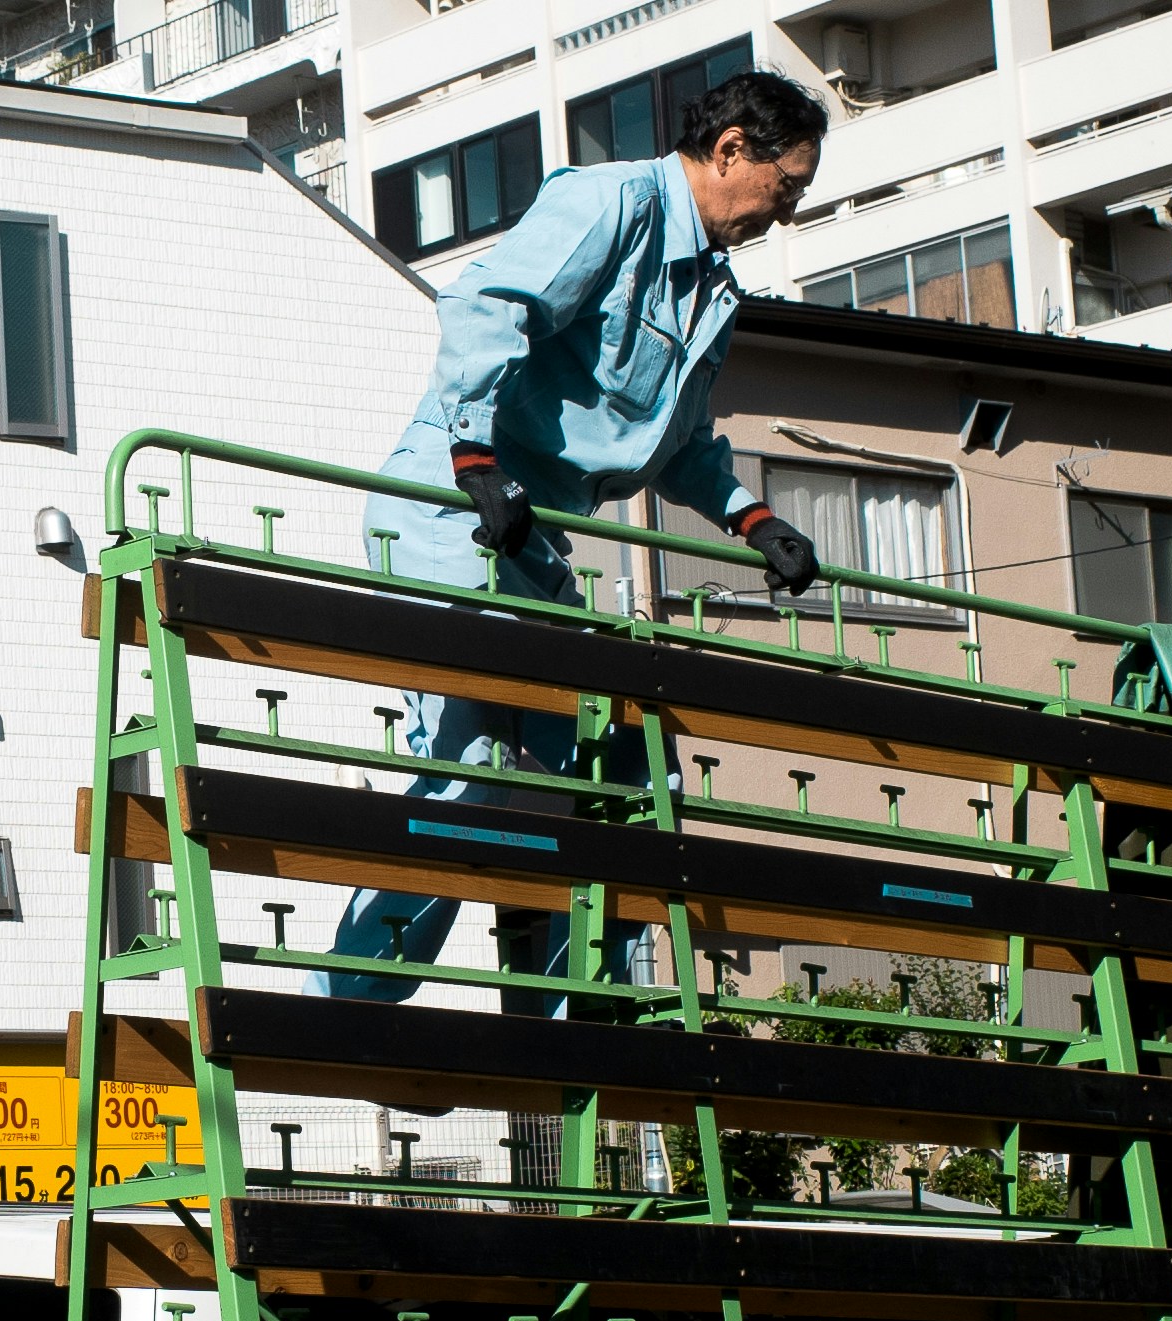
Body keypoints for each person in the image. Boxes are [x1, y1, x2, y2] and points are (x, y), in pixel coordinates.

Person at [312, 70, 831, 1012]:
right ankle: (344, 1005)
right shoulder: (610, 202)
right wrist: (473, 454)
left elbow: (679, 443)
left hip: (529, 540)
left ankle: (571, 1016)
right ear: (730, 151)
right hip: (450, 505)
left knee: (626, 765)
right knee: (464, 765)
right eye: (787, 184)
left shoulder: (711, 292)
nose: (786, 210)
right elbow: (486, 308)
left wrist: (755, 519)